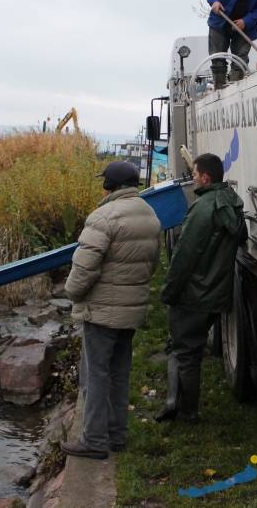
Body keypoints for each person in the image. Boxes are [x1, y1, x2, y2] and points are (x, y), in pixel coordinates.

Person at [61, 160, 161, 459]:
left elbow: (85, 265)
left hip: (102, 311)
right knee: (119, 372)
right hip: (130, 310)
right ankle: (116, 435)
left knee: (95, 374)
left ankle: (93, 440)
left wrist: (72, 293)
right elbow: (152, 263)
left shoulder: (103, 216)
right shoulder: (150, 215)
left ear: (110, 186)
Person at [155, 153, 246, 423]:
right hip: (215, 292)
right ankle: (183, 407)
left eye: (194, 174)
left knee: (186, 354)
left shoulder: (203, 208)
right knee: (191, 350)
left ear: (205, 177)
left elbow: (184, 255)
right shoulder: (230, 202)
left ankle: (187, 412)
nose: (192, 179)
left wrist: (169, 291)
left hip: (194, 294)